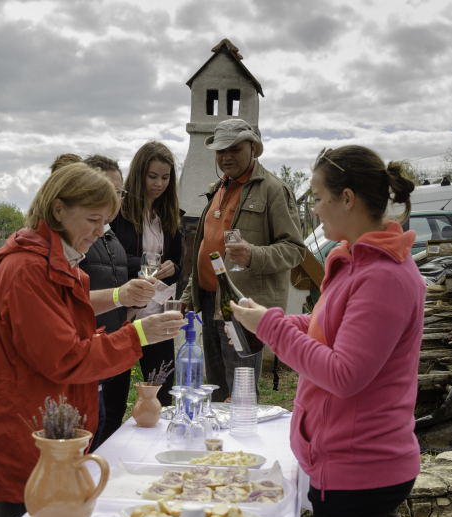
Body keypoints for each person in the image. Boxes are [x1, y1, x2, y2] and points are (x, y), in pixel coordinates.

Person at [0, 163, 185, 517]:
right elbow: (65, 357)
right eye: (94, 220)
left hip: (47, 429)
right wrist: (137, 335)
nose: (100, 232)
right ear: (58, 208)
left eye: (105, 221)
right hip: (26, 431)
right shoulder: (27, 270)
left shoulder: (58, 263)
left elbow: (69, 339)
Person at [230, 145, 423, 517]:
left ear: (347, 199)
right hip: (345, 463)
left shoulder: (383, 277)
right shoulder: (358, 262)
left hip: (361, 469)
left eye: (318, 198)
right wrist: (267, 321)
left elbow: (344, 373)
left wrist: (271, 327)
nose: (314, 210)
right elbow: (326, 330)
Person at [179, 118, 305, 402]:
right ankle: (218, 447)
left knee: (241, 393)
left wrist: (253, 255)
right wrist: (190, 293)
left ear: (254, 148)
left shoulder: (274, 189)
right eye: (220, 150)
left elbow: (295, 249)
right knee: (214, 391)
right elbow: (206, 247)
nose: (226, 156)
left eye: (234, 148)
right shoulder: (219, 188)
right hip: (211, 304)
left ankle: (242, 446)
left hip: (244, 309)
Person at [110, 141, 184, 407]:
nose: (159, 184)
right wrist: (143, 264)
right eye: (152, 176)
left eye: (165, 177)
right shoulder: (118, 211)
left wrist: (173, 268)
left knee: (164, 395)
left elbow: (179, 263)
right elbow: (110, 257)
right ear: (139, 174)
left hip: (157, 314)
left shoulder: (169, 214)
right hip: (124, 314)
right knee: (114, 397)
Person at [79, 154, 134, 450]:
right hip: (89, 351)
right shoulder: (77, 240)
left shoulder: (113, 237)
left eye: (119, 192)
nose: (115, 198)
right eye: (108, 190)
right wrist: (121, 295)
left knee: (111, 421)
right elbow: (69, 302)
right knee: (91, 429)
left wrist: (133, 305)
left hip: (113, 345)